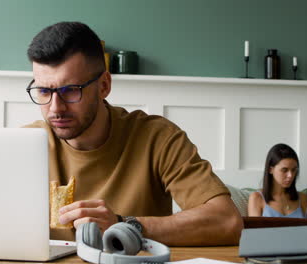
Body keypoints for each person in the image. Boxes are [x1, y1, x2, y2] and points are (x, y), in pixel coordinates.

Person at [24, 21, 242, 246]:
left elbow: (226, 221)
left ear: (104, 86)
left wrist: (125, 225)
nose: (55, 108)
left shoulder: (157, 138)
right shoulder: (23, 145)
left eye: (70, 90)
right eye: (43, 91)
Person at [248, 143, 307, 218]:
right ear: (270, 169)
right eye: (284, 170)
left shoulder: (302, 198)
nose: (290, 175)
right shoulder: (256, 198)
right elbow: (254, 229)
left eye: (293, 170)